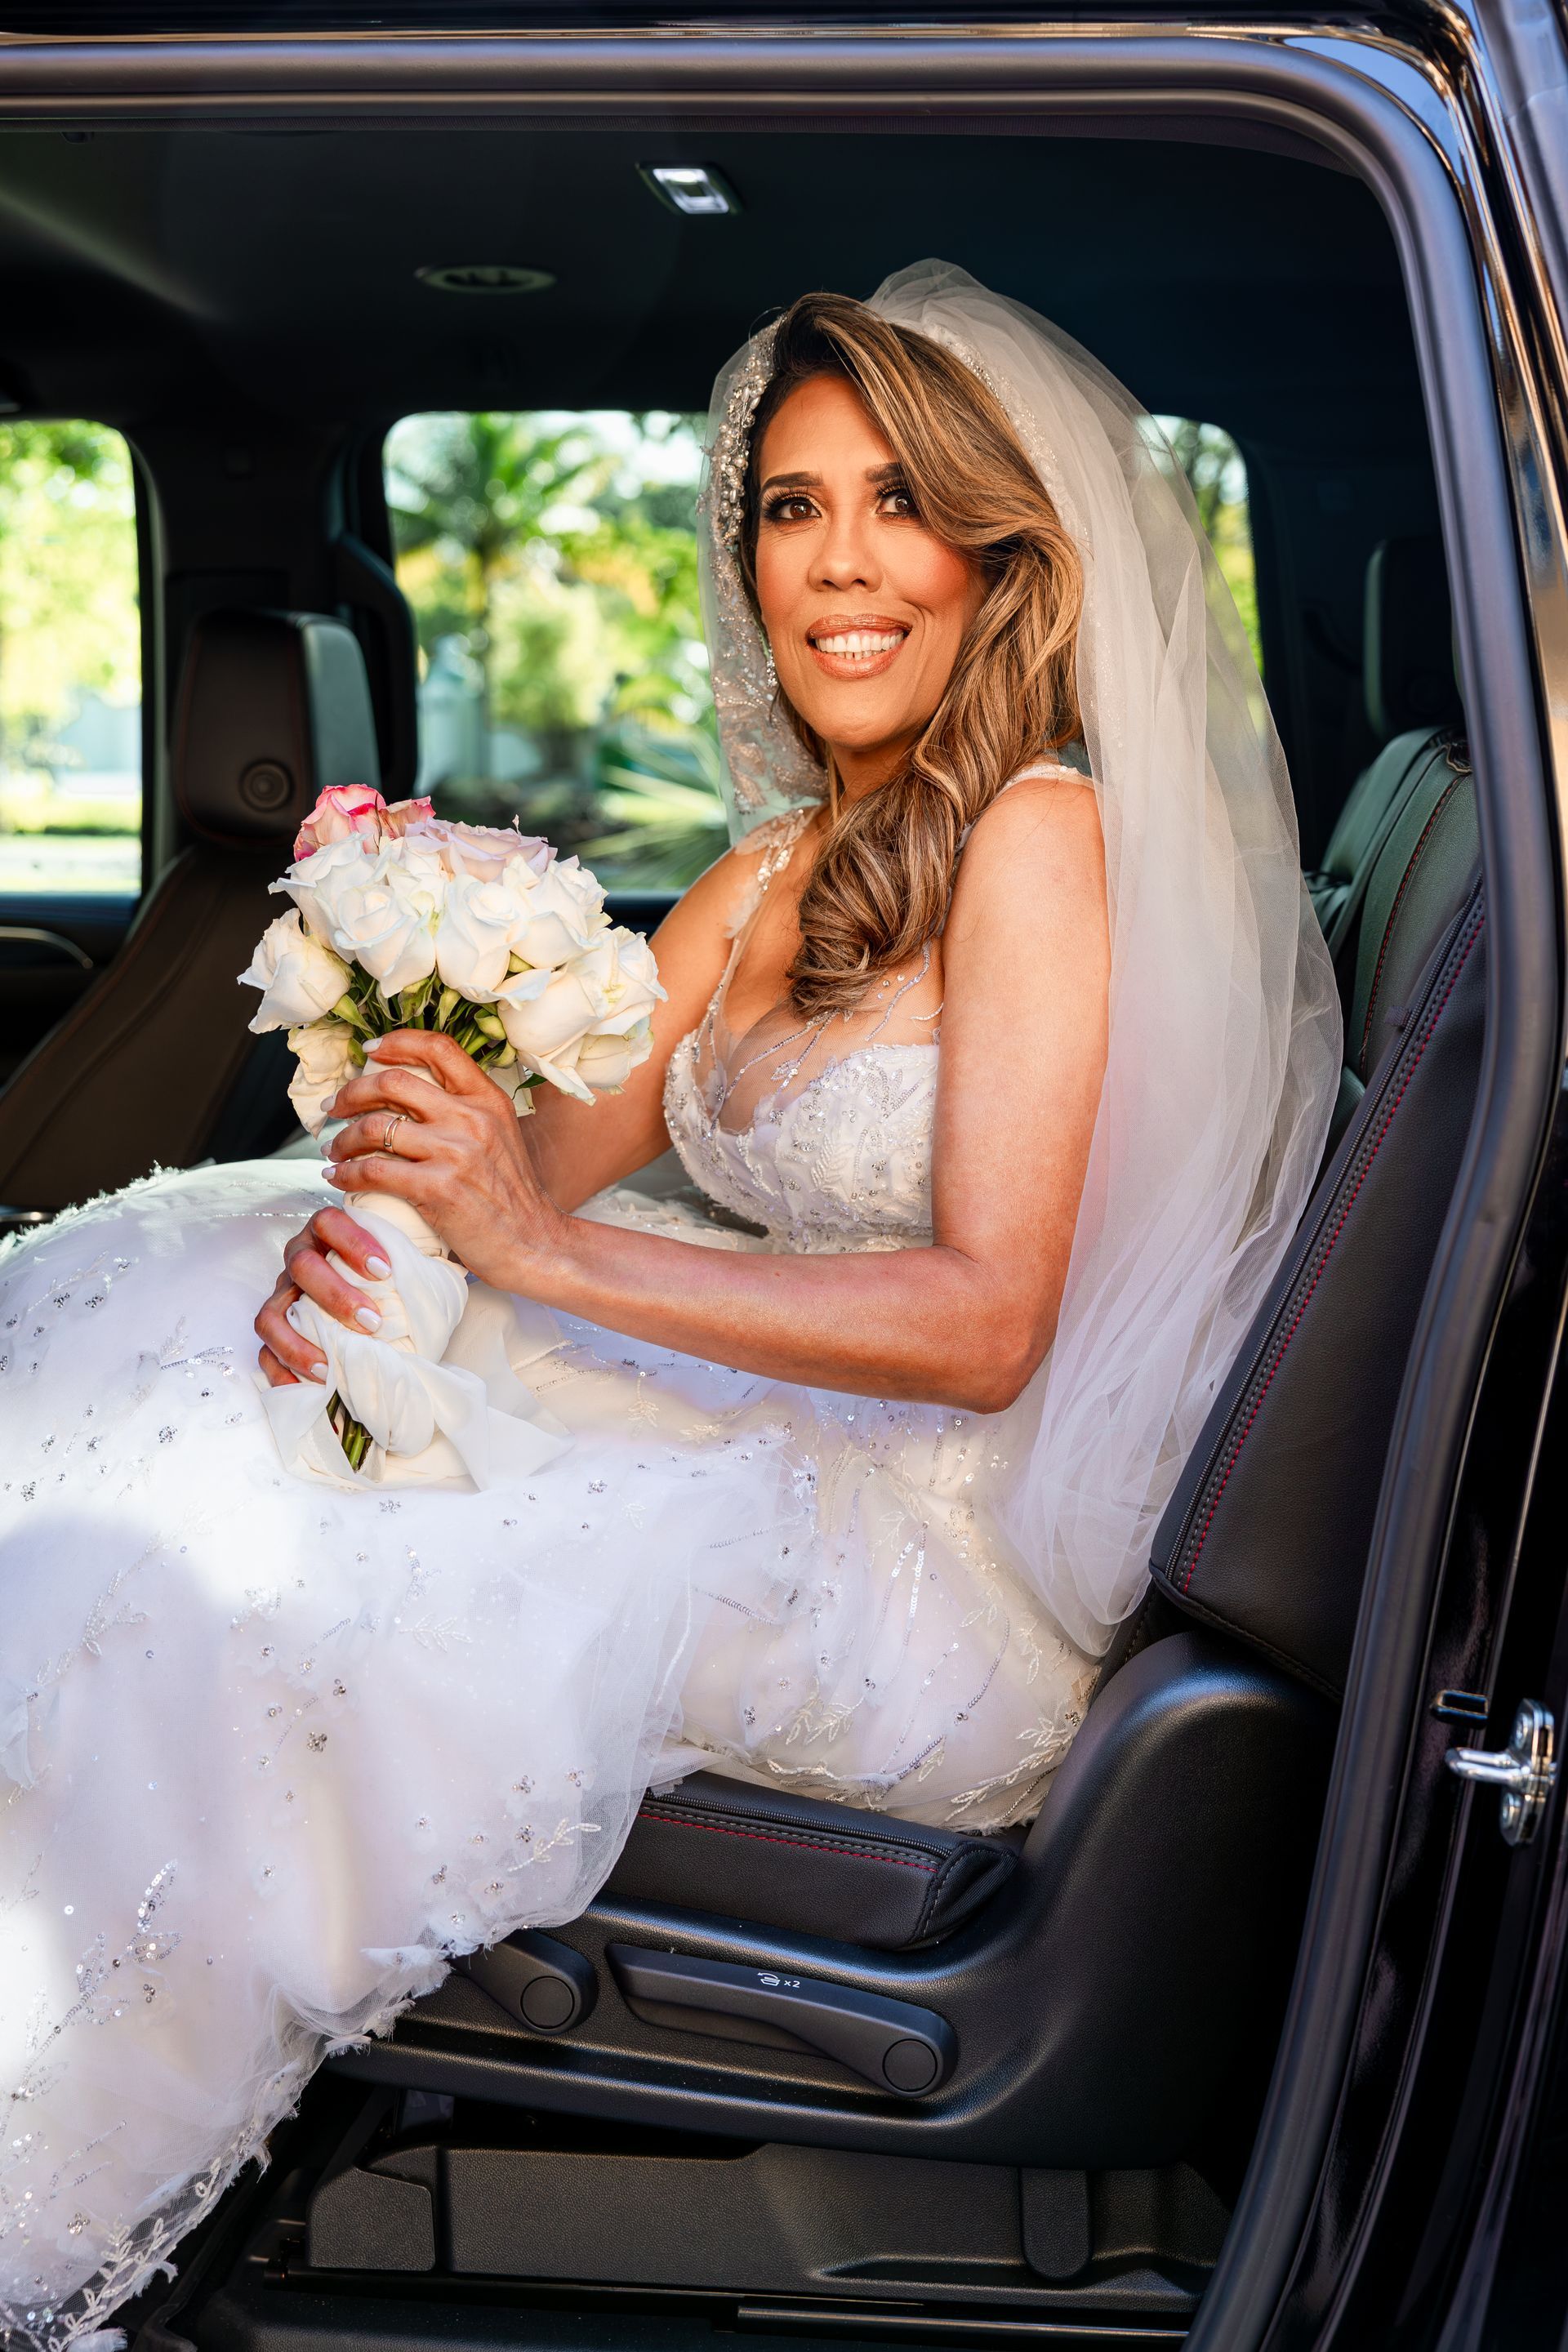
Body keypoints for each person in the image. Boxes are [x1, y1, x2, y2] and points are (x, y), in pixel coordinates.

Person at [0, 261, 1339, 2345]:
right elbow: (534, 1176)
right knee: (167, 1323)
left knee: (227, 1563)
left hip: (920, 1530)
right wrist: (380, 1245)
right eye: (793, 508)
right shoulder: (775, 872)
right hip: (763, 1406)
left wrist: (536, 1260)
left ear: (1000, 560)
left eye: (901, 502)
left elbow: (990, 1321)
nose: (841, 563)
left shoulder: (1046, 840)